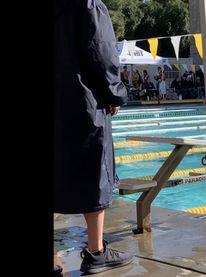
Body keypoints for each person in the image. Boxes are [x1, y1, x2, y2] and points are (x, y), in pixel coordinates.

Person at [54, 0, 134, 274]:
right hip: (83, 102)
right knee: (94, 172)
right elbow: (101, 51)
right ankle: (97, 251)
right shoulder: (87, 4)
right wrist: (114, 93)